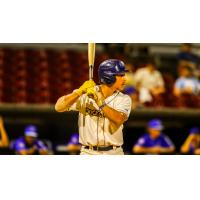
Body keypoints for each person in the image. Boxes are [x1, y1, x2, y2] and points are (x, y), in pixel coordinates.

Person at [55, 59, 132, 155]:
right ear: (108, 77)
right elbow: (59, 107)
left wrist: (100, 102)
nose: (124, 78)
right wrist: (79, 92)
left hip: (114, 152)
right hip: (88, 152)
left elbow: (119, 119)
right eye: (121, 75)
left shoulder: (124, 99)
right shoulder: (86, 93)